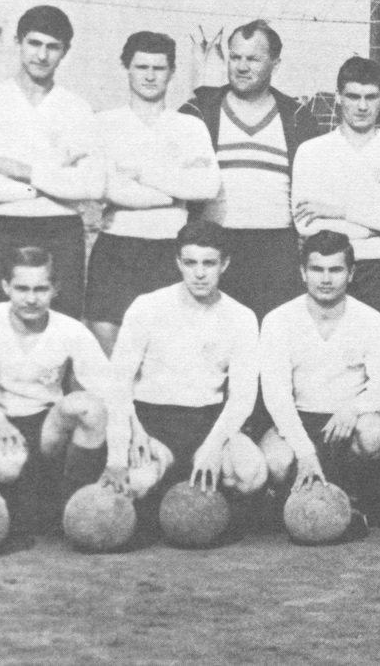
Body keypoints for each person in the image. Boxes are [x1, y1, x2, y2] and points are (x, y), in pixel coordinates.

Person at [109, 221, 267, 537]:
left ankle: (210, 509)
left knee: (251, 473)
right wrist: (133, 429)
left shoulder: (241, 317)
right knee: (137, 483)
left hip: (207, 421)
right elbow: (118, 381)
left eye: (209, 263)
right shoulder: (147, 306)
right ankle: (161, 499)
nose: (199, 273)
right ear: (178, 262)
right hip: (152, 422)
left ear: (224, 264)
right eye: (190, 262)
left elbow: (242, 397)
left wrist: (213, 445)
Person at [0, 5, 104, 320]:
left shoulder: (77, 109)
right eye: (34, 43)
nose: (42, 55)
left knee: (60, 328)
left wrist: (24, 171)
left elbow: (90, 185)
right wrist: (50, 184)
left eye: (53, 47)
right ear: (18, 42)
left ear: (65, 51)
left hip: (60, 231)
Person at [0, 247, 121, 538]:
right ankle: (8, 502)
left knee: (90, 407)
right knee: (8, 467)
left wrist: (134, 435)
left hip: (46, 425)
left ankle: (75, 507)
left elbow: (110, 389)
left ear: (55, 289)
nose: (31, 298)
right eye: (22, 288)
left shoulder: (70, 329)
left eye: (40, 289)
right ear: (6, 287)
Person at [88, 31, 221, 355]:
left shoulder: (189, 126)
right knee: (107, 337)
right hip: (116, 245)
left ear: (172, 72)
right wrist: (173, 193)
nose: (150, 76)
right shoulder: (104, 123)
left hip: (168, 247)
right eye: (141, 66)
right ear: (127, 68)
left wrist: (141, 174)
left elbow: (206, 186)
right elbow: (104, 187)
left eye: (159, 68)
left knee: (167, 345)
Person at [179, 20, 321, 321]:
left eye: (253, 59)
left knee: (272, 337)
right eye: (235, 57)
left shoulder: (297, 117)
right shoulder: (199, 111)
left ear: (275, 63)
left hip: (277, 254)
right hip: (215, 249)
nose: (241, 67)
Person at [258, 231, 380, 532]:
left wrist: (354, 408)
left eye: (335, 269)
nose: (326, 279)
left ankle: (360, 497)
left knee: (373, 432)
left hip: (348, 422)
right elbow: (277, 398)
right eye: (317, 269)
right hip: (300, 418)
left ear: (351, 273)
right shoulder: (278, 320)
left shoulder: (372, 320)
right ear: (303, 272)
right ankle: (292, 499)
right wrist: (305, 452)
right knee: (275, 461)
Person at [291, 57, 380, 345]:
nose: (362, 106)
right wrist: (378, 221)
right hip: (328, 266)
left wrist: (338, 211)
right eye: (353, 96)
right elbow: (306, 224)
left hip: (379, 267)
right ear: (338, 97)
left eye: (370, 97)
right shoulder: (311, 152)